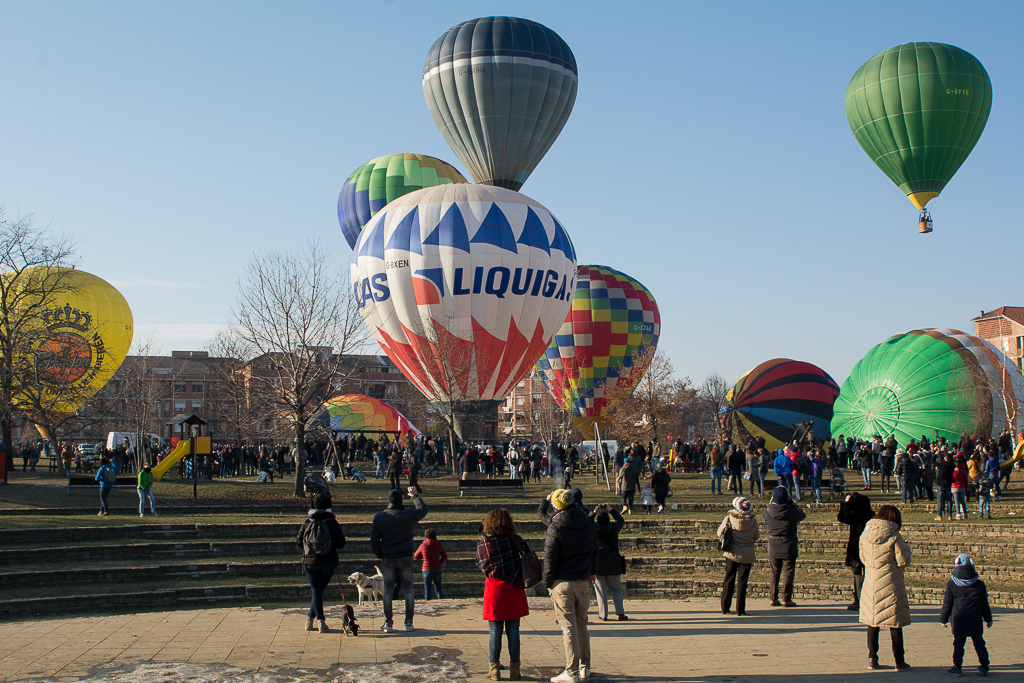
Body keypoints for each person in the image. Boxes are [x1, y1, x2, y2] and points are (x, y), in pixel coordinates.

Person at [543, 488, 598, 683]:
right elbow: (594, 550)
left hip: (563, 582)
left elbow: (549, 559)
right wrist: (592, 572)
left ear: (557, 505)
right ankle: (585, 667)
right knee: (582, 625)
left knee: (568, 628)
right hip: (582, 580)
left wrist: (547, 583)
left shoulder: (556, 526)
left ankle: (571, 671)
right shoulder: (587, 521)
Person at [476, 508, 530, 681]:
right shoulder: (516, 541)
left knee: (495, 631)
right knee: (514, 631)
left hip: (494, 589)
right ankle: (515, 669)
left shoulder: (484, 542)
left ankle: (494, 669)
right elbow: (527, 559)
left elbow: (480, 564)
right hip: (514, 587)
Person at [860, 504, 912, 671]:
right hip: (890, 581)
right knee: (894, 621)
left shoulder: (865, 534)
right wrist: (908, 550)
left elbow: (862, 557)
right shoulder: (894, 535)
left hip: (871, 580)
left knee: (872, 621)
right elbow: (903, 560)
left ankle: (872, 658)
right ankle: (899, 660)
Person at [370, 487, 428, 633]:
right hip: (405, 557)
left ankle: (388, 623)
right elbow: (423, 510)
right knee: (408, 590)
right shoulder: (407, 515)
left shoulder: (379, 517)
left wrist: (380, 555)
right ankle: (409, 622)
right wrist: (415, 496)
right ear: (401, 500)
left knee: (388, 591)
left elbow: (374, 541)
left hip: (389, 557)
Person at [295, 492, 346, 633]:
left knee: (316, 590)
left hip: (310, 562)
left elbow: (299, 541)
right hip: (328, 562)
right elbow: (341, 543)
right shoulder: (331, 522)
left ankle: (311, 620)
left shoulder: (308, 521)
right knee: (318, 590)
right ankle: (320, 620)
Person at [939, 554, 992, 677]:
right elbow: (984, 604)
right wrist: (988, 619)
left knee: (958, 643)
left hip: (959, 618)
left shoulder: (952, 584)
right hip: (975, 618)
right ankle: (984, 666)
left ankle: (957, 667)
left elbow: (947, 603)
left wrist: (943, 619)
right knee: (979, 642)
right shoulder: (979, 584)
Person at [762, 486, 805, 607]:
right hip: (789, 543)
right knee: (788, 572)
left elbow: (765, 514)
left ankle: (773, 597)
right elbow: (802, 515)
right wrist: (792, 503)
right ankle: (787, 598)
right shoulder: (792, 511)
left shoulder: (767, 511)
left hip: (773, 543)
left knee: (774, 572)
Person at [718, 496, 759, 615]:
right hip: (747, 554)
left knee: (729, 579)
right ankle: (740, 609)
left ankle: (725, 607)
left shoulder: (729, 519)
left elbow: (719, 533)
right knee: (743, 581)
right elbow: (756, 537)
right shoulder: (753, 521)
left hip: (732, 552)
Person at [838, 492, 874, 611]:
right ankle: (868, 598)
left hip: (855, 547)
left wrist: (846, 504)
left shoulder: (853, 516)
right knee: (868, 573)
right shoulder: (870, 515)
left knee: (857, 573)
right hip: (868, 547)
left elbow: (841, 517)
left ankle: (858, 599)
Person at [591, 502, 627, 621]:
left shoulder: (594, 529)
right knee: (616, 589)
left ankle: (603, 614)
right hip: (613, 561)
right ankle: (620, 612)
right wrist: (611, 510)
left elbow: (585, 522)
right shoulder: (614, 528)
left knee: (601, 591)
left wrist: (594, 512)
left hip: (598, 562)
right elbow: (620, 520)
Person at [414, 528, 447, 600]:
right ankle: (441, 600)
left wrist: (424, 557)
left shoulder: (423, 545)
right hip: (437, 568)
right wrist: (439, 562)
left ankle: (428, 600)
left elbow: (416, 556)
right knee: (438, 587)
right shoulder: (439, 544)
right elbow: (444, 556)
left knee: (427, 588)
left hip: (426, 568)